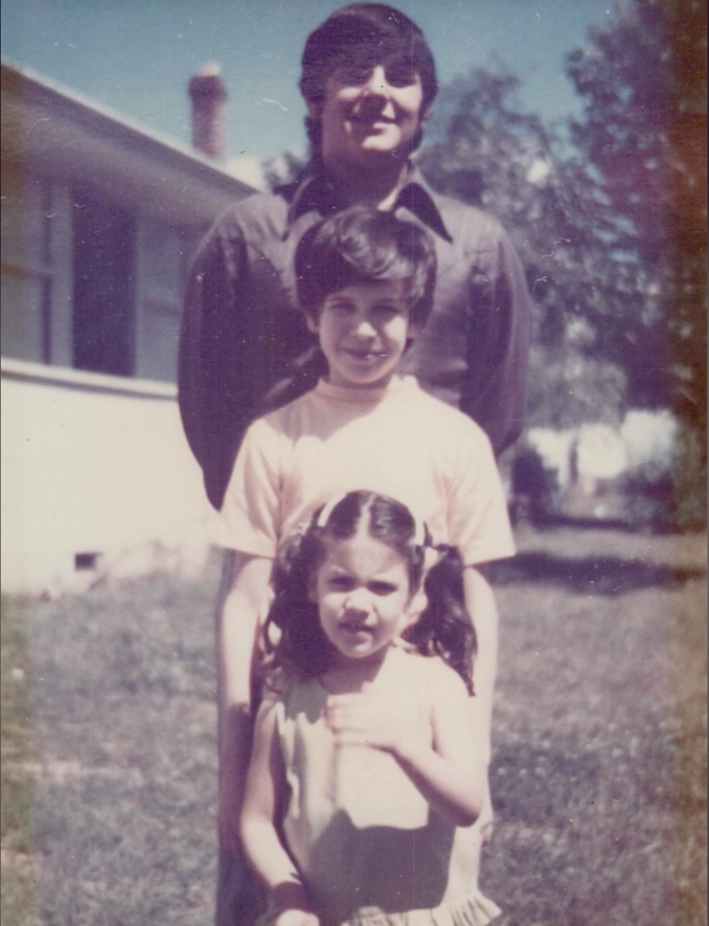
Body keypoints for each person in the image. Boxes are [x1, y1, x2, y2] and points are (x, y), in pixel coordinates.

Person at [216, 206, 514, 925]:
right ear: (310, 314)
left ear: (414, 322)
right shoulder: (273, 438)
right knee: (309, 884)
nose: (362, 330)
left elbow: (478, 598)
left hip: (421, 713)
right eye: (341, 307)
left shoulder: (454, 439)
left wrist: (472, 747)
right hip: (310, 705)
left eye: (386, 310)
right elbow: (243, 596)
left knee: (416, 892)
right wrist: (234, 753)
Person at [178, 2, 531, 513]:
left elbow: (495, 412)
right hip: (276, 552)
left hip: (423, 558)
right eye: (356, 73)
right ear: (316, 98)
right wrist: (262, 524)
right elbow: (206, 403)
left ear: (425, 106)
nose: (379, 91)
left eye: (401, 76)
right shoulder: (248, 235)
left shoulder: (477, 246)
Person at [241, 490, 503, 926]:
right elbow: (255, 820)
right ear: (312, 584)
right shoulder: (288, 694)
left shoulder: (436, 684)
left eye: (382, 587)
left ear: (415, 596)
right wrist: (290, 899)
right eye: (341, 582)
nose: (359, 604)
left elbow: (467, 805)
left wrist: (405, 746)